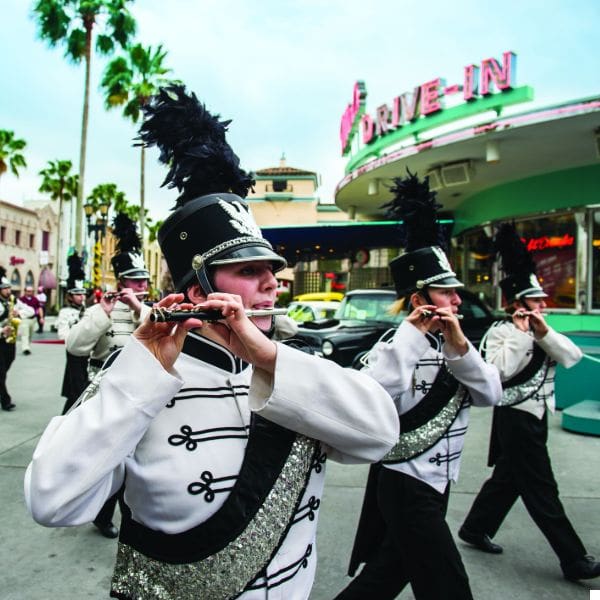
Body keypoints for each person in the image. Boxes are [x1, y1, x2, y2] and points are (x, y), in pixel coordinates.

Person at [24, 85, 399, 600]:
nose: (272, 283)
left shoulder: (293, 367)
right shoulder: (138, 375)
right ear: (200, 291)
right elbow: (52, 500)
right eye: (249, 270)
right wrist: (141, 370)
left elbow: (379, 436)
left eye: (271, 270)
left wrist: (267, 357)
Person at [335, 172, 502, 600]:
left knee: (384, 579)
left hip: (440, 481)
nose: (459, 302)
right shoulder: (394, 346)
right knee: (448, 586)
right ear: (420, 300)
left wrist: (459, 347)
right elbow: (371, 395)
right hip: (405, 482)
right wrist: (411, 337)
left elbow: (490, 395)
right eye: (448, 294)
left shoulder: (459, 345)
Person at [459, 223, 600, 583]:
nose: (542, 306)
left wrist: (543, 332)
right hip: (514, 417)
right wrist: (522, 336)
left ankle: (475, 528)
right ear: (516, 304)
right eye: (535, 301)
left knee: (507, 479)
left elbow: (571, 358)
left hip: (537, 417)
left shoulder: (545, 332)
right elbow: (497, 373)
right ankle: (574, 559)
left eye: (541, 300)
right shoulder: (501, 333)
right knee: (541, 488)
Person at [64, 212, 152, 540]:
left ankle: (129, 515)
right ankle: (100, 511)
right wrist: (103, 313)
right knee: (110, 461)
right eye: (134, 281)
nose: (141, 286)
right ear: (121, 283)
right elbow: (75, 346)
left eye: (144, 281)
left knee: (138, 463)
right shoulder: (101, 310)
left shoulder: (152, 309)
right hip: (107, 395)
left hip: (143, 396)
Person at [55, 280, 88, 415]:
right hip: (74, 352)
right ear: (70, 296)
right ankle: (65, 421)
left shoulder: (88, 310)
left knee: (83, 390)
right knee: (77, 390)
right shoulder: (65, 312)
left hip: (89, 354)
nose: (81, 297)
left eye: (83, 294)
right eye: (77, 294)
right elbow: (62, 334)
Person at [0, 269, 18, 411]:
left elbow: (29, 310)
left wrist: (18, 314)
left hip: (9, 341)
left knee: (6, 366)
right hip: (0, 339)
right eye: (5, 288)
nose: (8, 290)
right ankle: (5, 400)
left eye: (9, 288)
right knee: (1, 372)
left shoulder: (11, 301)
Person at [16, 285, 41, 355]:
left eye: (31, 291)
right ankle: (25, 348)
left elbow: (39, 308)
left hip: (33, 319)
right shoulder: (21, 300)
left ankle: (28, 346)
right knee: (25, 335)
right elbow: (17, 309)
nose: (30, 293)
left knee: (30, 335)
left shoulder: (35, 299)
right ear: (25, 291)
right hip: (24, 319)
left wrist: (41, 318)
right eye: (28, 291)